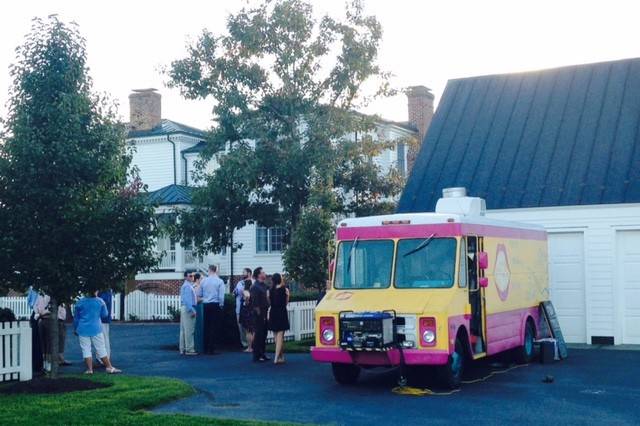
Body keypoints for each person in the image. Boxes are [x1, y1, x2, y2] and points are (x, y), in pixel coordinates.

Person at [73, 292, 121, 374]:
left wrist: (75, 329)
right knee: (101, 348)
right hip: (96, 328)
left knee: (86, 349)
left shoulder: (79, 303)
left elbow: (76, 318)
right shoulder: (100, 301)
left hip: (82, 328)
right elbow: (104, 314)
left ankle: (89, 369)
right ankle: (109, 367)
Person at [35, 294, 71, 372]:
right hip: (53, 320)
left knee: (44, 343)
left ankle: (46, 364)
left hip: (43, 319)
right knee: (51, 343)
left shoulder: (40, 295)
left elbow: (37, 307)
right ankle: (49, 364)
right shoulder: (54, 295)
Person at [198, 265, 225, 355]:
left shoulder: (203, 281)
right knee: (214, 326)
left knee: (206, 326)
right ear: (216, 270)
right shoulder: (219, 281)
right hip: (215, 304)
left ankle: (205, 347)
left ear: (209, 270)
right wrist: (221, 305)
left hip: (206, 305)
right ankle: (212, 348)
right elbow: (221, 296)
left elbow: (199, 293)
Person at [268, 273, 290, 364]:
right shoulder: (285, 289)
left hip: (273, 312)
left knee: (276, 336)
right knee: (280, 335)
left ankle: (281, 357)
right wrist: (288, 296)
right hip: (281, 312)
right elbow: (286, 303)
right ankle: (276, 358)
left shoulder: (270, 290)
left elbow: (269, 302)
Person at [250, 267, 270, 362]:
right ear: (259, 275)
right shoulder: (255, 287)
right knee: (258, 334)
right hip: (258, 314)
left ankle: (262, 353)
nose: (265, 274)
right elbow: (255, 303)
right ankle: (256, 355)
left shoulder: (264, 286)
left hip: (265, 312)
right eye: (263, 272)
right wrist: (260, 315)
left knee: (264, 334)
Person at [233, 268, 252, 349]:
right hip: (239, 308)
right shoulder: (240, 283)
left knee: (250, 327)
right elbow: (235, 292)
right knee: (240, 326)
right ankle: (244, 343)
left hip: (250, 308)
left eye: (244, 272)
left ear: (249, 273)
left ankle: (251, 344)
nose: (242, 274)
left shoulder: (253, 282)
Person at [179, 271, 198, 355]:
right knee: (189, 330)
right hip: (188, 309)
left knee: (183, 330)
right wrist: (192, 310)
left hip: (185, 308)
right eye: (190, 276)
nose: (192, 277)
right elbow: (187, 300)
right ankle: (189, 349)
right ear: (185, 277)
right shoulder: (187, 286)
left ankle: (182, 348)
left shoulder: (187, 285)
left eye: (192, 275)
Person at [27, 287, 43, 373]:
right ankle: (37, 364)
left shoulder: (32, 289)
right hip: (38, 314)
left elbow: (29, 302)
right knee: (37, 340)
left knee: (35, 340)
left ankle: (36, 364)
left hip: (35, 314)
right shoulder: (39, 290)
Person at [97, 290, 113, 360]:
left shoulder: (105, 292)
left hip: (102, 318)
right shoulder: (106, 291)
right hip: (103, 318)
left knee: (103, 339)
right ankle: (102, 358)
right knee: (103, 338)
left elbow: (104, 301)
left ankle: (103, 359)